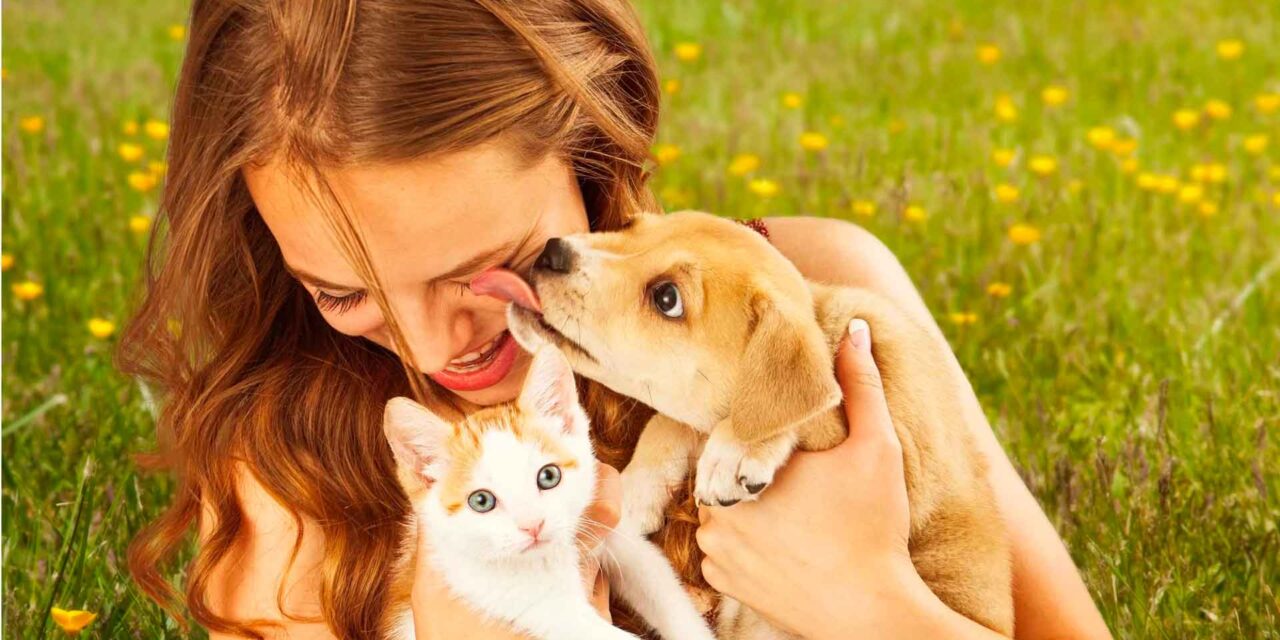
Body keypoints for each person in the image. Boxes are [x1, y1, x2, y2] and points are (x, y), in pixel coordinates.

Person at [119, 1, 1112, 638]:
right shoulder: (293, 485)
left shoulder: (810, 304)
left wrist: (868, 600)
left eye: (489, 268)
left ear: (596, 145)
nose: (437, 349)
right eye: (343, 292)